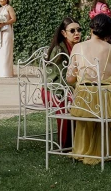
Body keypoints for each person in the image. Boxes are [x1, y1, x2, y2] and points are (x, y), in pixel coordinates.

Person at [67, 14, 111, 165]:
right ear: (108, 31)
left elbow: (69, 78)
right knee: (107, 117)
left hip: (84, 96)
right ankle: (107, 149)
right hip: (106, 94)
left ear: (91, 28)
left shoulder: (78, 47)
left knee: (86, 120)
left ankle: (82, 148)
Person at [45, 17, 82, 149]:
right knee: (66, 102)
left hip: (70, 86)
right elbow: (60, 78)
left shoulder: (81, 48)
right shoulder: (58, 50)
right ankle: (66, 144)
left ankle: (83, 140)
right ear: (64, 33)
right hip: (53, 88)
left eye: (79, 30)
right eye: (72, 30)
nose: (76, 33)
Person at [0, 0, 16, 78]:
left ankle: (7, 72)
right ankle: (1, 72)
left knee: (7, 50)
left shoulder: (9, 8)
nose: (0, 0)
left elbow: (13, 19)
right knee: (1, 50)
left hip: (7, 30)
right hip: (0, 31)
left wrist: (5, 23)